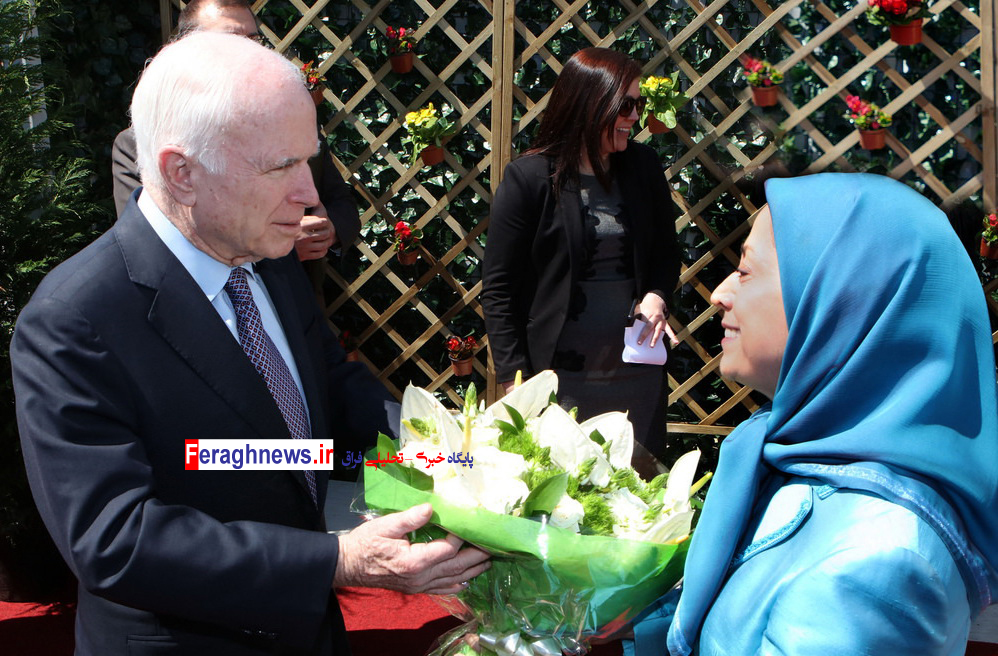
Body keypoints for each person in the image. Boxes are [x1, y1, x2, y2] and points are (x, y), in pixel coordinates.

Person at [11, 32, 488, 655]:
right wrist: (334, 562)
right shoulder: (75, 318)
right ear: (181, 173)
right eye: (280, 167)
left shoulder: (265, 251)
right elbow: (114, 538)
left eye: (309, 161)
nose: (311, 195)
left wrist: (456, 458)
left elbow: (328, 391)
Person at [626, 173, 998, 655]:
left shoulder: (880, 563)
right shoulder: (803, 462)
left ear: (837, 299)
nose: (719, 293)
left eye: (744, 271)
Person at [481, 47, 681, 458]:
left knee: (634, 492)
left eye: (638, 105)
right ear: (591, 104)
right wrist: (515, 381)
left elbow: (666, 251)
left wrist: (656, 296)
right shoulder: (530, 178)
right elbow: (499, 288)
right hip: (559, 379)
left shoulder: (643, 167)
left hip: (635, 375)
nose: (634, 118)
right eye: (626, 105)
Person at [110, 0, 360, 261]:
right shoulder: (139, 145)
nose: (249, 53)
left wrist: (329, 230)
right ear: (186, 50)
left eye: (253, 40)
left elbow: (340, 202)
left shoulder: (292, 128)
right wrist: (282, 250)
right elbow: (150, 247)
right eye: (231, 42)